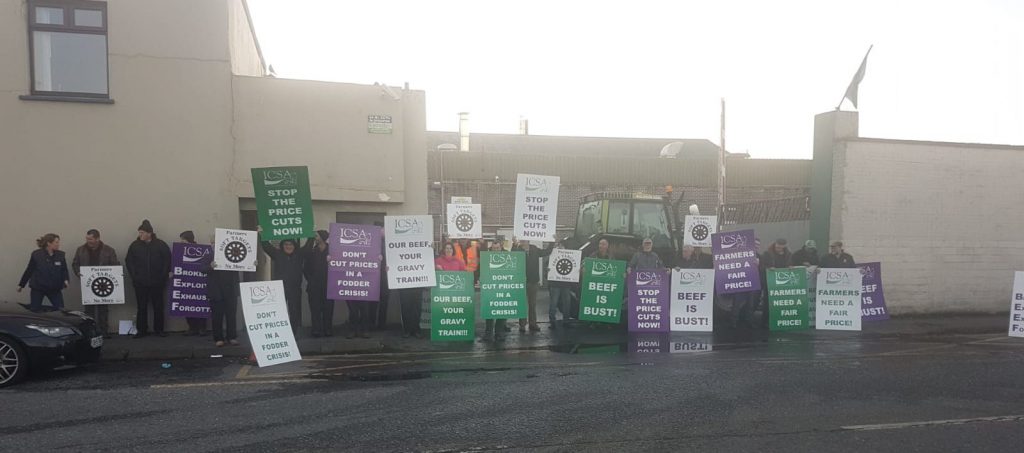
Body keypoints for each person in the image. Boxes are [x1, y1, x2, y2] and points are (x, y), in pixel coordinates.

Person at [260, 229, 314, 336]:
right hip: (279, 289)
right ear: (282, 245)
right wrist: (261, 234)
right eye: (286, 244)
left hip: (295, 289)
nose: (288, 246)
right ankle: (281, 334)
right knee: (280, 312)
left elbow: (308, 247)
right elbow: (266, 246)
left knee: (294, 312)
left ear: (294, 246)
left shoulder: (299, 254)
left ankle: (293, 334)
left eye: (290, 244)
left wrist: (311, 232)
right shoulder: (277, 254)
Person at [125, 220, 171, 338]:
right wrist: (135, 276)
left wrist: (162, 277)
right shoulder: (134, 245)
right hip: (140, 283)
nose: (140, 235)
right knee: (141, 307)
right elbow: (129, 261)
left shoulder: (160, 245)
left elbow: (167, 261)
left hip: (157, 282)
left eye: (142, 232)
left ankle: (159, 330)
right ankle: (141, 330)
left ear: (149, 233)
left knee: (158, 307)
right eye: (139, 232)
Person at [72, 229, 119, 336]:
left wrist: (113, 274)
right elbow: (75, 264)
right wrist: (78, 273)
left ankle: (103, 331)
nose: (88, 241)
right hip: (87, 283)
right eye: (87, 239)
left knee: (103, 309)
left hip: (103, 284)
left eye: (90, 239)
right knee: (89, 310)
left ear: (97, 239)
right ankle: (91, 332)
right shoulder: (80, 250)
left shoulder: (109, 250)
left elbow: (115, 265)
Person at [18, 234, 69, 312]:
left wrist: (66, 280)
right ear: (49, 243)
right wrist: (21, 285)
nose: (58, 244)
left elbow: (64, 270)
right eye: (56, 242)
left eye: (58, 242)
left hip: (54, 288)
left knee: (61, 310)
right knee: (34, 310)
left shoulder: (61, 255)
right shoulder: (36, 254)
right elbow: (29, 270)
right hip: (38, 288)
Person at [203, 252, 239, 347]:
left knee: (231, 316)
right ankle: (218, 338)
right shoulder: (209, 255)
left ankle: (232, 337)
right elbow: (202, 269)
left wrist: (252, 263)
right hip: (216, 292)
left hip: (231, 290)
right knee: (217, 317)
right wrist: (210, 266)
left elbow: (245, 264)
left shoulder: (233, 253)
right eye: (213, 244)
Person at [304, 230, 334, 337]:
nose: (315, 237)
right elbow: (306, 268)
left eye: (316, 236)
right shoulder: (312, 251)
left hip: (329, 286)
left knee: (328, 309)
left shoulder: (333, 251)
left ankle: (328, 329)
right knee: (315, 309)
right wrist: (311, 280)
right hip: (314, 286)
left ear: (322, 237)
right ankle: (316, 329)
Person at [178, 231, 207, 337]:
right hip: (186, 281)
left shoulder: (201, 250)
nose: (181, 242)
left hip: (198, 282)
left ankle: (202, 328)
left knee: (200, 304)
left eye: (183, 240)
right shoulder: (180, 251)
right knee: (188, 304)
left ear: (189, 240)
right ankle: (192, 327)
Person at [760, 239, 792, 326]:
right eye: (777, 247)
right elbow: (761, 266)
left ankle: (779, 320)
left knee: (780, 302)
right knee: (767, 302)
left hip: (783, 281)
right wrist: (768, 268)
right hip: (769, 281)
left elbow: (790, 264)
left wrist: (790, 267)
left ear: (784, 247)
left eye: (780, 248)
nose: (778, 249)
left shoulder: (788, 254)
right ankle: (765, 322)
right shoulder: (767, 253)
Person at [482, 241, 509, 341]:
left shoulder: (507, 257)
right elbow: (482, 270)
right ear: (491, 249)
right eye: (494, 248)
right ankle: (488, 333)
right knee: (489, 311)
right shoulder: (486, 258)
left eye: (498, 248)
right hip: (490, 289)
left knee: (502, 311)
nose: (496, 250)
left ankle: (499, 333)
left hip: (503, 288)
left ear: (501, 248)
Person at [516, 240, 544, 333]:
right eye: (522, 241)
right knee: (522, 305)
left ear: (528, 241)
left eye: (524, 241)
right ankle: (522, 325)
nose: (523, 243)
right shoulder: (518, 250)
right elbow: (511, 257)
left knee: (532, 304)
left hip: (533, 281)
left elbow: (546, 252)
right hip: (522, 282)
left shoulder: (534, 249)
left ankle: (533, 324)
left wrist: (552, 241)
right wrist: (514, 244)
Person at [547, 240, 574, 329]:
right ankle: (552, 321)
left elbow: (574, 267)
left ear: (565, 247)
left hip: (566, 284)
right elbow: (547, 268)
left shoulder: (571, 256)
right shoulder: (552, 255)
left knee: (566, 303)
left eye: (562, 245)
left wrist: (576, 271)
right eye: (559, 245)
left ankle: (566, 321)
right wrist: (548, 270)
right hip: (555, 284)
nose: (560, 247)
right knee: (553, 303)